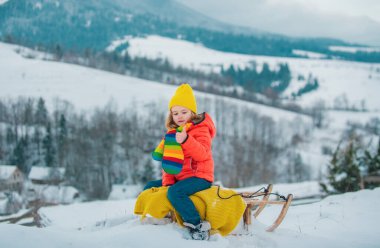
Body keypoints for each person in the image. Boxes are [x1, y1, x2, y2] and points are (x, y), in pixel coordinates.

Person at [144, 83, 216, 240]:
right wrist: (167, 181)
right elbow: (168, 163)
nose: (180, 116)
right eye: (175, 113)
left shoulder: (201, 129)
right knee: (150, 187)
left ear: (192, 112)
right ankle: (160, 217)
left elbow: (203, 154)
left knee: (175, 192)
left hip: (200, 177)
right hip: (180, 177)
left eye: (184, 112)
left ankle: (197, 226)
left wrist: (186, 140)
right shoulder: (172, 133)